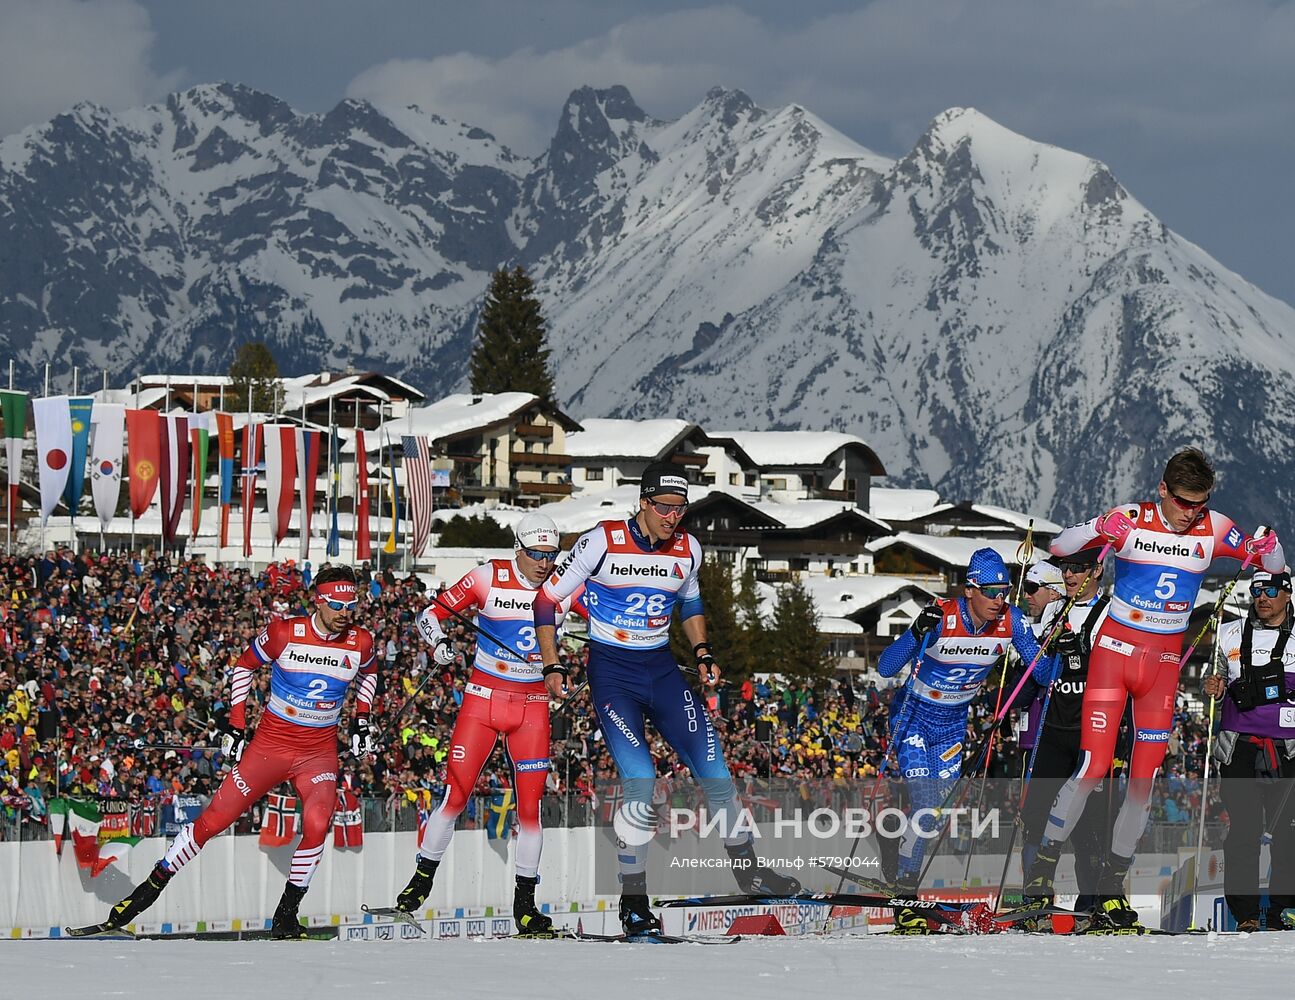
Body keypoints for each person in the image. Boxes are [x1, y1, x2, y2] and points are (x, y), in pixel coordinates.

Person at [532, 462, 800, 937]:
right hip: (612, 674)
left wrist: (702, 652)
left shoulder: (688, 548)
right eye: (664, 507)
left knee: (715, 768)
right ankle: (633, 900)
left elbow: (690, 602)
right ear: (643, 502)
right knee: (641, 778)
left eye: (681, 508)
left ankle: (749, 869)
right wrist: (553, 664)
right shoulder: (602, 541)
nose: (673, 517)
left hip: (660, 670)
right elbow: (546, 602)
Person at [1025, 448, 1284, 932]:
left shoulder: (1214, 526)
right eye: (1184, 502)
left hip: (1162, 668)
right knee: (1093, 765)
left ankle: (1111, 882)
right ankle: (1042, 866)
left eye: (1200, 503)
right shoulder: (1133, 517)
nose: (1191, 514)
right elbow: (1061, 546)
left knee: (1143, 781)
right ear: (1163, 490)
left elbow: (1272, 561)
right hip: (1113, 658)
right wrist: (1101, 527)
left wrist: (1267, 545)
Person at [88, 566, 376, 938]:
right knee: (211, 823)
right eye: (337, 604)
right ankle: (140, 896)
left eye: (351, 605)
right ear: (317, 600)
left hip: (318, 753)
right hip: (270, 748)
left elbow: (369, 675)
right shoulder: (284, 632)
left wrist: (362, 720)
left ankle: (286, 915)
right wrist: (235, 723)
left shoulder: (360, 641)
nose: (344, 612)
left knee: (318, 825)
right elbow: (244, 667)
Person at [393, 514, 583, 936]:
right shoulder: (487, 576)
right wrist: (439, 643)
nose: (543, 563)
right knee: (456, 795)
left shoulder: (564, 585)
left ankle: (526, 907)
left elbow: (608, 616)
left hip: (532, 706)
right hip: (482, 702)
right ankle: (418, 884)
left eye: (551, 555)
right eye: (535, 554)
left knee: (531, 812)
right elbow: (431, 614)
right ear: (518, 549)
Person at [876, 547, 1062, 933]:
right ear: (970, 589)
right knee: (925, 803)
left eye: (1006, 591)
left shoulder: (1010, 620)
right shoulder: (942, 614)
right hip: (912, 717)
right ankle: (906, 896)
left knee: (933, 813)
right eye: (992, 592)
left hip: (952, 725)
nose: (1001, 600)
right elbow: (886, 667)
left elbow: (1041, 674)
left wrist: (1059, 651)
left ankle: (897, 855)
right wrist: (914, 632)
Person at [1010, 550, 1125, 920]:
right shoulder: (1053, 613)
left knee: (1090, 825)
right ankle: (1036, 898)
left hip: (1093, 734)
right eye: (1066, 569)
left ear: (1096, 571)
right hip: (1054, 731)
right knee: (1035, 817)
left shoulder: (1110, 612)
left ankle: (1093, 902)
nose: (1070, 576)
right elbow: (1042, 674)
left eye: (1078, 569)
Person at [1203, 568, 1295, 931]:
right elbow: (1215, 680)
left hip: (1288, 748)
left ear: (1287, 593)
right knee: (1242, 832)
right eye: (1257, 590)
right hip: (1238, 747)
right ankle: (1245, 914)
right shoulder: (1228, 633)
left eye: (1271, 590)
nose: (1263, 597)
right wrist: (1214, 687)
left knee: (1290, 831)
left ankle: (1283, 909)